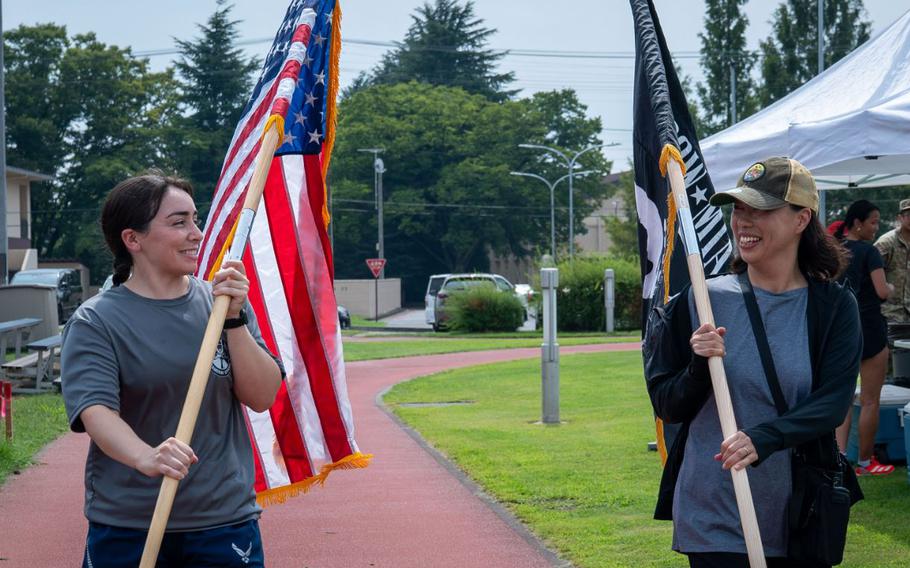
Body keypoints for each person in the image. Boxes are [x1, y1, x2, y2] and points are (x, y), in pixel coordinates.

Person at [644, 157, 861, 567]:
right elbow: (667, 405)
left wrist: (764, 437)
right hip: (714, 512)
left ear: (801, 220)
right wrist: (697, 366)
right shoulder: (701, 301)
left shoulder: (832, 306)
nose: (743, 221)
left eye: (760, 210)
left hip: (801, 513)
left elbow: (832, 403)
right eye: (738, 209)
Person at [61, 172, 284, 567]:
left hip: (224, 520)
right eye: (179, 222)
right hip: (130, 525)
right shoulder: (96, 321)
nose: (196, 233)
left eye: (195, 219)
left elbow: (262, 396)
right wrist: (145, 456)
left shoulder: (220, 306)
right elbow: (95, 412)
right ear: (134, 240)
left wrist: (233, 320)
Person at [832, 200, 894, 476]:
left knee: (842, 398)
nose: (876, 227)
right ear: (857, 223)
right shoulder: (869, 252)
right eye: (873, 221)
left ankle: (839, 457)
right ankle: (866, 463)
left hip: (839, 329)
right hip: (869, 328)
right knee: (870, 400)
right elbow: (882, 291)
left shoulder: (832, 249)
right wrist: (891, 287)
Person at [874, 198, 910, 326]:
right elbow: (871, 274)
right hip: (890, 314)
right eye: (908, 215)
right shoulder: (886, 242)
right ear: (900, 218)